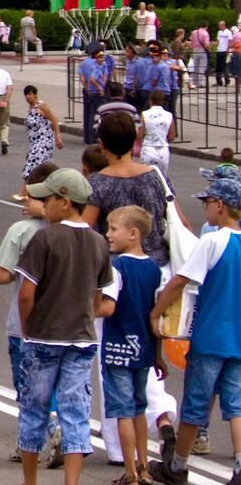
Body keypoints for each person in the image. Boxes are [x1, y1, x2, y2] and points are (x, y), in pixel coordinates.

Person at [14, 167, 113, 485]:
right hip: (81, 339)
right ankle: (72, 481)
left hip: (43, 337)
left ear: (65, 201)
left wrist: (28, 327)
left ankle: (30, 481)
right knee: (75, 412)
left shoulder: (44, 238)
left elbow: (26, 294)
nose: (44, 205)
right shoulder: (99, 243)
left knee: (34, 410)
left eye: (48, 199)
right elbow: (98, 299)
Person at [147, 175, 241, 485]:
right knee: (236, 405)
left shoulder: (214, 240)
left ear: (221, 205)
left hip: (210, 336)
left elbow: (181, 279)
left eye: (207, 203)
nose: (205, 209)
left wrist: (156, 313)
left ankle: (178, 465)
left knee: (195, 406)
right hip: (238, 339)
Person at [0, 162, 57, 467]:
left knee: (26, 386)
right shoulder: (67, 228)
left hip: (22, 324)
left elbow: (3, 276)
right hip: (59, 324)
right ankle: (58, 428)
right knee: (53, 383)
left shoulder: (19, 231)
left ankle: (28, 442)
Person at [100, 205, 162, 485]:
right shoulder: (153, 269)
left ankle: (130, 472)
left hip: (117, 348)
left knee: (122, 411)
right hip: (144, 350)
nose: (108, 234)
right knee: (139, 408)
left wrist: (87, 306)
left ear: (133, 233)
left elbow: (108, 308)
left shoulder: (118, 267)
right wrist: (157, 354)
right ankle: (144, 465)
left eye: (113, 229)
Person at [80, 112, 174, 267]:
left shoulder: (96, 183)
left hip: (116, 267)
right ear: (134, 140)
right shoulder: (157, 176)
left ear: (102, 144)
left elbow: (84, 230)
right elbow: (180, 221)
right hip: (157, 265)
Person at [19, 85, 62, 182]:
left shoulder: (41, 105)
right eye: (26, 94)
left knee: (31, 165)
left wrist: (58, 136)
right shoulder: (30, 109)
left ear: (35, 95)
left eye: (30, 94)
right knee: (42, 168)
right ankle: (43, 190)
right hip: (34, 143)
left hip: (44, 141)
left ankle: (24, 192)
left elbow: (54, 119)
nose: (28, 96)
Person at [139, 92, 175, 175]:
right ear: (162, 101)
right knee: (162, 179)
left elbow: (140, 134)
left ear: (150, 100)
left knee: (145, 178)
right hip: (163, 151)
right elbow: (171, 137)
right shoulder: (169, 115)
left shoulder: (145, 114)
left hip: (148, 150)